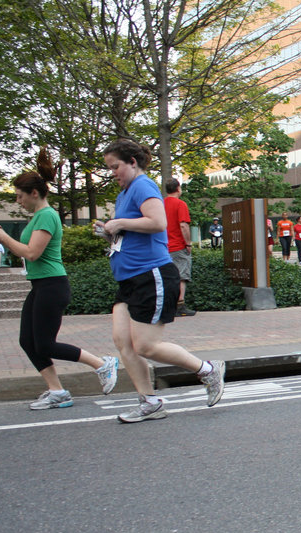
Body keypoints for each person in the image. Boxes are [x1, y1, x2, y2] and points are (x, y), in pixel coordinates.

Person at [97, 139, 225, 423]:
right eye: (109, 168)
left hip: (150, 275)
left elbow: (157, 223)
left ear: (132, 162)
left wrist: (118, 223)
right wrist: (110, 232)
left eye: (115, 166)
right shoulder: (124, 193)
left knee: (145, 346)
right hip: (129, 278)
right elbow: (133, 230)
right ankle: (150, 402)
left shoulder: (143, 185)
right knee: (123, 343)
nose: (113, 172)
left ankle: (207, 369)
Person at [0, 147, 120, 410]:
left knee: (45, 344)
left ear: (34, 193)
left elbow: (32, 253)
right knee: (28, 341)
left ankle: (102, 363)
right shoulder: (38, 216)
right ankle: (57, 391)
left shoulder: (47, 215)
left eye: (20, 196)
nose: (18, 201)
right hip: (40, 286)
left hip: (52, 285)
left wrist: (3, 238)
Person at [163, 178, 196, 316]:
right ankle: (180, 305)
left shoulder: (160, 204)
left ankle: (167, 305)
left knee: (167, 277)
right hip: (178, 246)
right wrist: (188, 243)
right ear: (178, 189)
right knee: (181, 276)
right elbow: (183, 225)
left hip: (163, 247)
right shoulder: (180, 204)